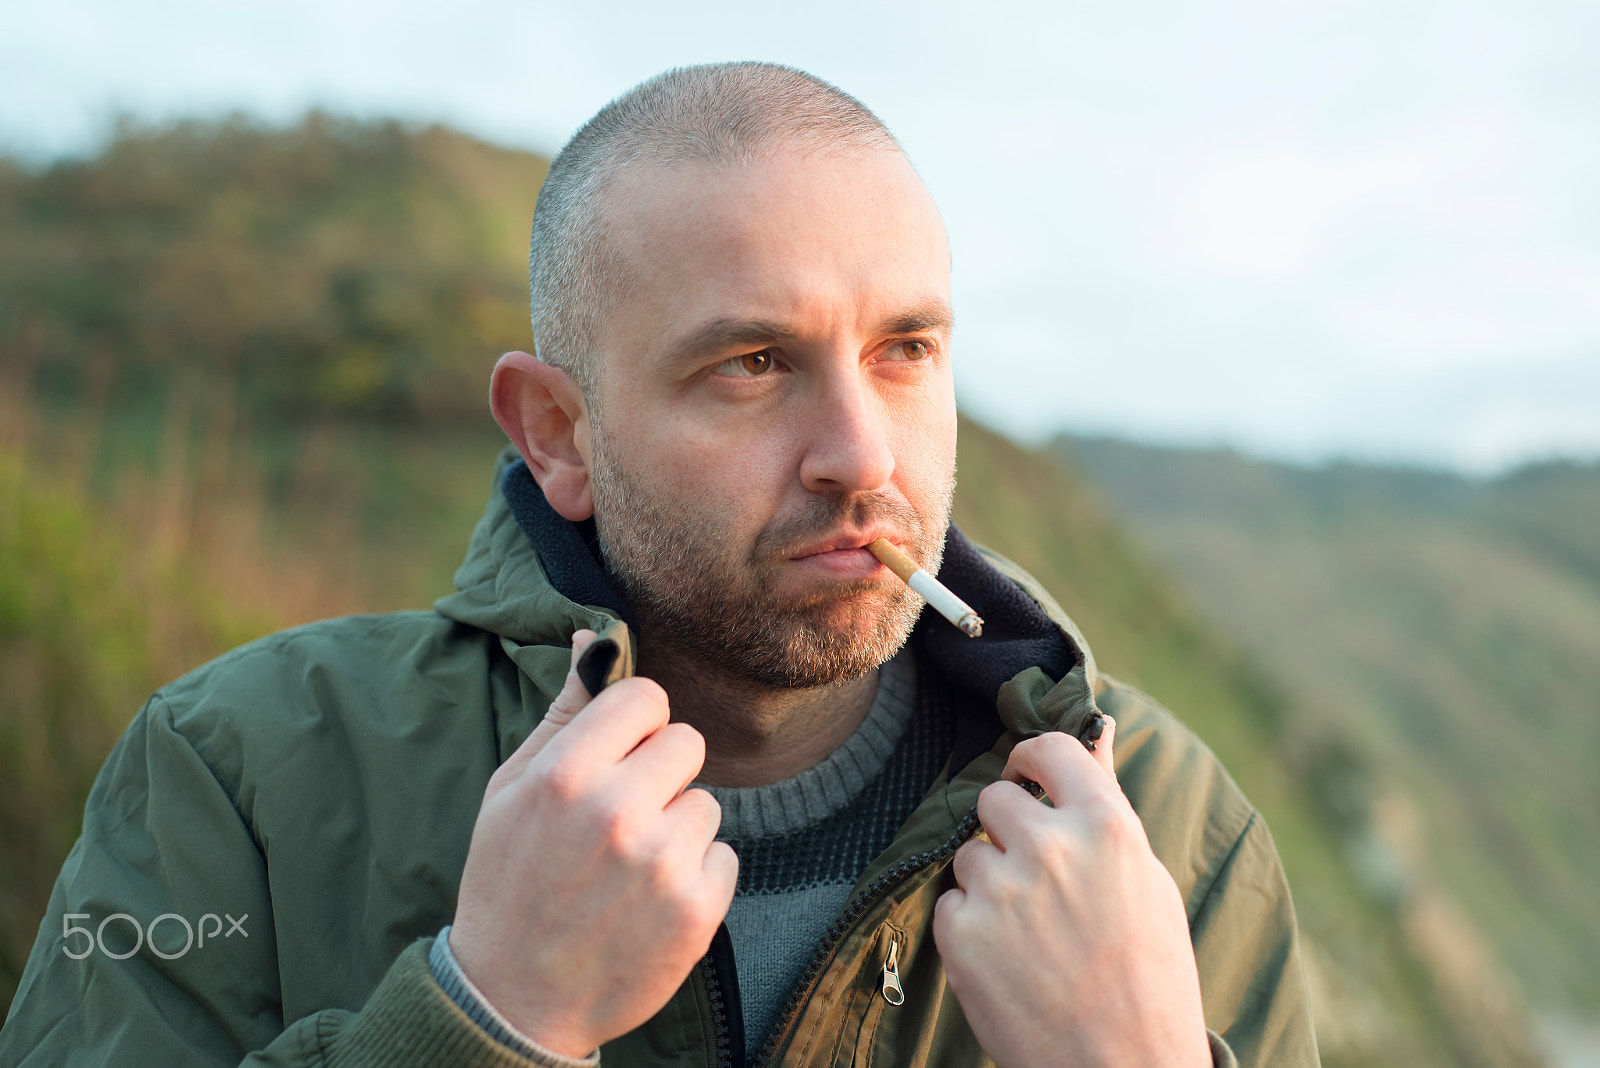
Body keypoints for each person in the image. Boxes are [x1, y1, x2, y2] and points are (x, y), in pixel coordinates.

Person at [0, 63, 1318, 1067]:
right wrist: (486, 1014)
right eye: (752, 365)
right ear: (559, 434)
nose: (862, 456)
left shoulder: (1161, 824)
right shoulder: (236, 777)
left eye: (905, 351)